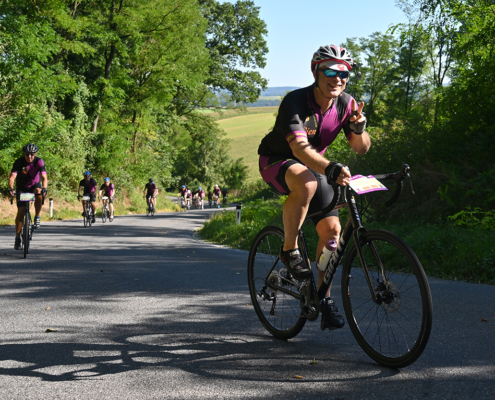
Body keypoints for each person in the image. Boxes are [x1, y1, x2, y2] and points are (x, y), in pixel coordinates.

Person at [257, 45, 370, 331]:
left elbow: (362, 148)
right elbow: (300, 148)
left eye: (344, 73)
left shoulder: (346, 103)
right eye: (330, 71)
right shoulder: (296, 102)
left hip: (316, 165)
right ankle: (289, 250)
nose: (338, 78)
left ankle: (324, 298)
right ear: (315, 72)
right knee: (306, 183)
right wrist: (329, 167)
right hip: (279, 160)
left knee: (332, 232)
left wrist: (358, 129)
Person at [8, 143, 48, 250]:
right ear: (24, 154)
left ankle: (37, 217)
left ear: (35, 154)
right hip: (22, 187)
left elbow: (44, 176)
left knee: (39, 192)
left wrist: (45, 188)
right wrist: (11, 188)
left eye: (32, 154)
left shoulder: (39, 161)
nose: (29, 156)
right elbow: (12, 177)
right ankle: (17, 238)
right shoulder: (19, 162)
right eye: (27, 154)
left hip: (34, 185)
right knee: (21, 212)